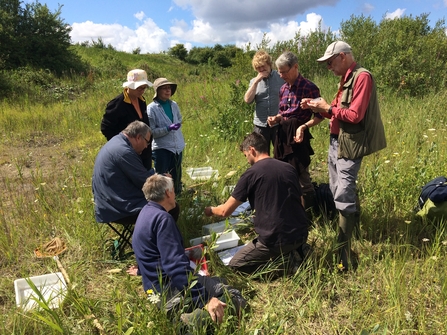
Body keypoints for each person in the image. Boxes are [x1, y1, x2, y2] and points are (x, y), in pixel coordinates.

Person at [302, 41, 386, 271]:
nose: (329, 67)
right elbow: (337, 113)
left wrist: (326, 108)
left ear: (342, 56)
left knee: (344, 190)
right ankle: (352, 231)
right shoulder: (346, 78)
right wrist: (317, 107)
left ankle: (343, 249)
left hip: (349, 144)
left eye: (330, 62)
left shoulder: (362, 77)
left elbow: (355, 115)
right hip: (336, 141)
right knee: (337, 187)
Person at [132, 174, 246, 328]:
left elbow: (148, 251)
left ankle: (185, 313)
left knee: (218, 281)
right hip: (170, 289)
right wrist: (205, 299)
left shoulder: (146, 212)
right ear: (167, 193)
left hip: (153, 289)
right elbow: (175, 266)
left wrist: (142, 270)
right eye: (173, 190)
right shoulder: (162, 219)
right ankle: (192, 323)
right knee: (232, 296)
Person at [204, 132, 309, 274]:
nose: (247, 159)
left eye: (245, 155)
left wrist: (210, 210)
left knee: (236, 265)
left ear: (252, 150)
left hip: (274, 239)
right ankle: (296, 250)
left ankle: (283, 267)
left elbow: (225, 211)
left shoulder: (251, 174)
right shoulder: (289, 168)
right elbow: (301, 201)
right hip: (301, 233)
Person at [267, 51, 323, 212]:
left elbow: (320, 116)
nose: (281, 75)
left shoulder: (309, 88)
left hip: (298, 137)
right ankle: (289, 212)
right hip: (282, 136)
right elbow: (283, 113)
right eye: (279, 72)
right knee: (283, 174)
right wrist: (276, 119)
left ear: (295, 67)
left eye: (284, 71)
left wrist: (303, 127)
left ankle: (308, 216)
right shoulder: (283, 89)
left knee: (302, 176)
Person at [92, 121, 155, 225]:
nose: (146, 147)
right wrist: (163, 179)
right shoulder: (124, 152)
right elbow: (146, 182)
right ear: (139, 137)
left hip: (107, 206)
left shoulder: (116, 141)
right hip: (118, 210)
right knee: (168, 206)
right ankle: (153, 240)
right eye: (147, 142)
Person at [101, 69, 153, 170]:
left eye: (144, 88)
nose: (142, 91)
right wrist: (122, 146)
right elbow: (106, 128)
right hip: (128, 154)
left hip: (145, 151)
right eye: (139, 88)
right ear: (129, 86)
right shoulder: (117, 104)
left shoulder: (141, 100)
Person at [147, 78, 185, 195]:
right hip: (162, 148)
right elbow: (151, 132)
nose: (168, 91)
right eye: (164, 88)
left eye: (169, 88)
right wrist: (167, 128)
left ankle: (177, 197)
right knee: (162, 177)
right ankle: (162, 200)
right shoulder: (151, 108)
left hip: (177, 146)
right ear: (157, 91)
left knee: (176, 175)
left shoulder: (173, 104)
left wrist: (178, 124)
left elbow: (179, 118)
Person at [244, 50, 284, 155]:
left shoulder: (280, 77)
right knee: (260, 156)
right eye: (258, 68)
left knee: (280, 153)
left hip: (278, 123)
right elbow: (247, 100)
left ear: (269, 64)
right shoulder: (254, 81)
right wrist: (256, 81)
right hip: (260, 125)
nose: (261, 70)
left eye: (263, 66)